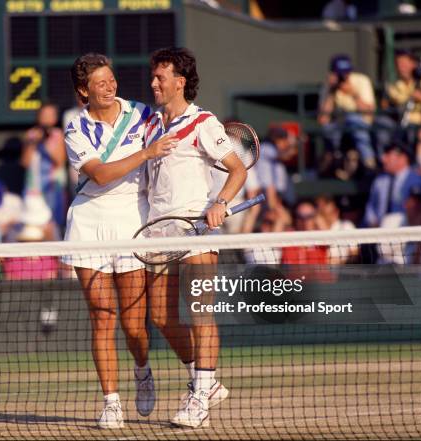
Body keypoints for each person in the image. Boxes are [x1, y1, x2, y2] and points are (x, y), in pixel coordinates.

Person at [62, 53, 175, 429]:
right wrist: (146, 152)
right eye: (100, 83)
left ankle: (142, 370)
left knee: (134, 325)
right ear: (84, 91)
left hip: (133, 222)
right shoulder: (76, 130)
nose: (110, 87)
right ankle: (111, 401)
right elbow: (100, 175)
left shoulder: (144, 114)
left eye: (112, 80)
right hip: (89, 224)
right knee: (101, 318)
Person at [144, 47, 247, 428]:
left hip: (196, 234)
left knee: (202, 314)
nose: (154, 83)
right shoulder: (152, 126)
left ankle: (199, 395)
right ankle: (206, 379)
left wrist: (220, 201)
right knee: (160, 316)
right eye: (154, 76)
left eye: (161, 77)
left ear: (180, 82)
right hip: (156, 236)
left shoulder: (203, 122)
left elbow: (237, 170)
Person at [318, 54, 377, 169]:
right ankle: (335, 163)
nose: (344, 76)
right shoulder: (329, 87)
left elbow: (369, 111)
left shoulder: (361, 80)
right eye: (340, 73)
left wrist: (353, 93)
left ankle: (369, 163)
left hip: (361, 122)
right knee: (328, 129)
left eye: (346, 72)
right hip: (338, 124)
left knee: (353, 120)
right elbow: (323, 119)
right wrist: (331, 92)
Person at [22, 102, 68, 233]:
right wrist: (32, 143)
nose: (47, 118)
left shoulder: (58, 135)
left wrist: (46, 143)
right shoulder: (30, 135)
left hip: (52, 188)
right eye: (44, 114)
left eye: (50, 115)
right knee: (32, 227)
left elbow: (60, 161)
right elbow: (25, 163)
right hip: (33, 189)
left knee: (53, 226)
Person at [364, 142, 421, 228]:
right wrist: (373, 222)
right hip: (379, 231)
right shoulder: (379, 181)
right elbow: (371, 207)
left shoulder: (418, 181)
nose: (383, 159)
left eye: (388, 155)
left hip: (407, 230)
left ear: (402, 158)